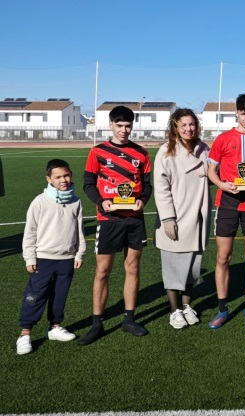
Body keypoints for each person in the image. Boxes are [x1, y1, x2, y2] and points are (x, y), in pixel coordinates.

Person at [78, 105, 152, 345]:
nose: (124, 130)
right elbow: (88, 183)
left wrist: (142, 200)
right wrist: (101, 202)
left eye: (128, 125)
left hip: (134, 219)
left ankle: (129, 319)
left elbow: (147, 185)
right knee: (102, 271)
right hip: (108, 220)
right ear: (110, 125)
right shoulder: (97, 152)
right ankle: (97, 323)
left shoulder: (141, 153)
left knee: (132, 268)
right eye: (119, 125)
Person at [207, 93, 245, 329]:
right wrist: (222, 185)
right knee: (223, 257)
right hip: (228, 204)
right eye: (243, 113)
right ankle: (222, 309)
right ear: (236, 113)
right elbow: (211, 170)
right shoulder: (223, 139)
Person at [17, 159, 86, 355]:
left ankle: (55, 327)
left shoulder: (76, 201)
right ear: (49, 179)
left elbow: (79, 230)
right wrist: (30, 257)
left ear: (71, 174)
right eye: (58, 177)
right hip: (43, 259)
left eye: (66, 175)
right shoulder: (40, 201)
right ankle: (25, 333)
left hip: (67, 259)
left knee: (60, 295)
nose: (63, 180)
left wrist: (79, 252)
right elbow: (30, 232)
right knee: (36, 295)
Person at [153, 109, 211, 329]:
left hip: (198, 217)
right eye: (184, 125)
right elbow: (161, 188)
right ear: (175, 127)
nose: (189, 129)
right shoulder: (166, 153)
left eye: (192, 124)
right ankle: (174, 310)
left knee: (192, 269)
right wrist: (168, 218)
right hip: (176, 218)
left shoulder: (203, 149)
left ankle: (186, 306)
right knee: (173, 269)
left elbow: (214, 174)